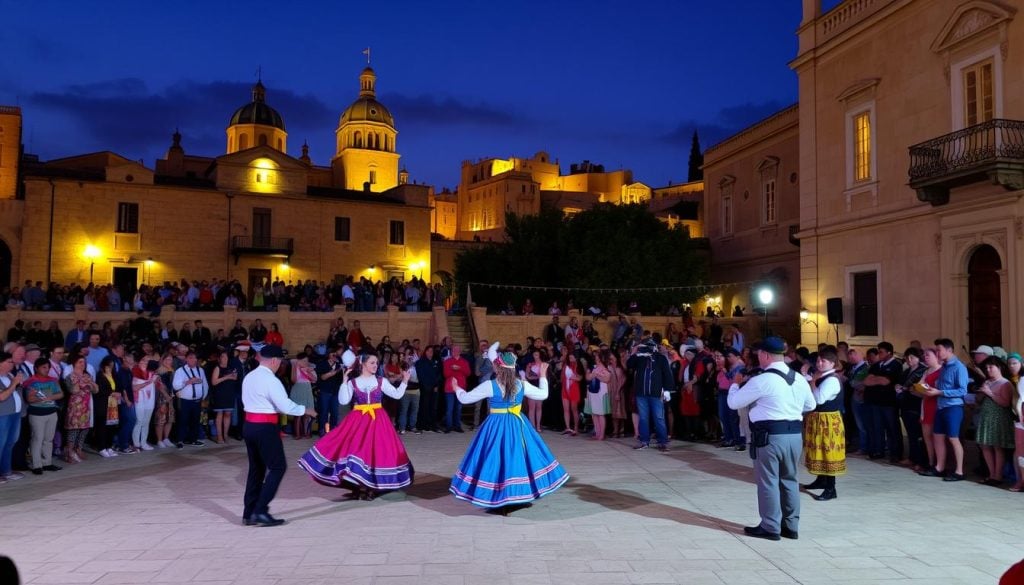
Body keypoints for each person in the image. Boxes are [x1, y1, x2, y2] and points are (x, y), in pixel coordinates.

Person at [449, 345, 569, 513]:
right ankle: (516, 496)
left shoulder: (491, 385)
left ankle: (500, 497)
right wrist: (542, 376)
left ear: (497, 368)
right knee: (516, 459)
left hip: (496, 425)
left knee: (496, 459)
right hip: (517, 425)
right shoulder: (521, 384)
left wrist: (457, 388)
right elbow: (543, 395)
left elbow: (465, 398)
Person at [727, 337, 816, 541]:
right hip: (794, 435)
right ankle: (791, 526)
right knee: (790, 480)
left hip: (770, 436)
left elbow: (734, 403)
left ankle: (770, 526)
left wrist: (735, 385)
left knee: (768, 481)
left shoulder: (762, 380)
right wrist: (789, 409)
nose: (757, 358)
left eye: (759, 354)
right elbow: (810, 405)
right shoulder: (798, 378)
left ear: (765, 355)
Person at [298, 353, 413, 501]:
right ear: (363, 364)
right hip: (358, 421)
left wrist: (404, 381)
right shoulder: (353, 382)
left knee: (376, 453)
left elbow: (396, 395)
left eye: (376, 363)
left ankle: (371, 487)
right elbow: (343, 400)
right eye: (372, 363)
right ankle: (359, 487)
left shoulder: (380, 381)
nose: (375, 365)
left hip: (378, 421)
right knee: (356, 452)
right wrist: (344, 381)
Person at [241, 345, 316, 527]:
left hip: (249, 425)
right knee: (277, 467)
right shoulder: (271, 380)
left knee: (256, 470)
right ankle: (260, 510)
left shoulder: (249, 377)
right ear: (274, 360)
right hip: (265, 427)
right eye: (280, 362)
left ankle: (249, 512)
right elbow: (285, 406)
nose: (280, 366)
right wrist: (306, 410)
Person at [919, 338, 968, 481]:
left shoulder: (959, 367)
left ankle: (959, 471)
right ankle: (939, 467)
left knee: (953, 438)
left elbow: (962, 390)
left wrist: (940, 392)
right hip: (940, 406)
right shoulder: (944, 366)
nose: (938, 353)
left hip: (953, 407)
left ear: (949, 350)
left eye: (939, 350)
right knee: (937, 437)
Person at [800, 346, 844, 501]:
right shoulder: (820, 376)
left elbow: (818, 398)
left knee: (828, 452)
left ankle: (831, 488)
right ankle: (821, 480)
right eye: (818, 360)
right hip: (817, 418)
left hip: (828, 420)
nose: (819, 363)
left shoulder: (832, 380)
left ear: (832, 363)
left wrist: (812, 381)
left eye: (823, 360)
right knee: (817, 450)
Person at [627, 338, 674, 451]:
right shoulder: (640, 357)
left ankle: (662, 442)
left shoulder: (660, 358)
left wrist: (668, 390)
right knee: (643, 418)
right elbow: (629, 365)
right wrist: (635, 353)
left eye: (649, 346)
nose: (647, 348)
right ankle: (644, 441)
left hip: (656, 393)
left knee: (659, 418)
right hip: (641, 393)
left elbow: (667, 374)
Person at [24, 358, 63, 474]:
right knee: (37, 439)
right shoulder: (31, 382)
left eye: (48, 367)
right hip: (37, 414)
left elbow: (60, 394)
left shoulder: (53, 380)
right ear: (36, 368)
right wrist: (46, 397)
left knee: (48, 439)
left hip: (51, 412)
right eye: (43, 367)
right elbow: (30, 399)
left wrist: (48, 397)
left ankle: (47, 463)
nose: (46, 370)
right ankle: (37, 465)